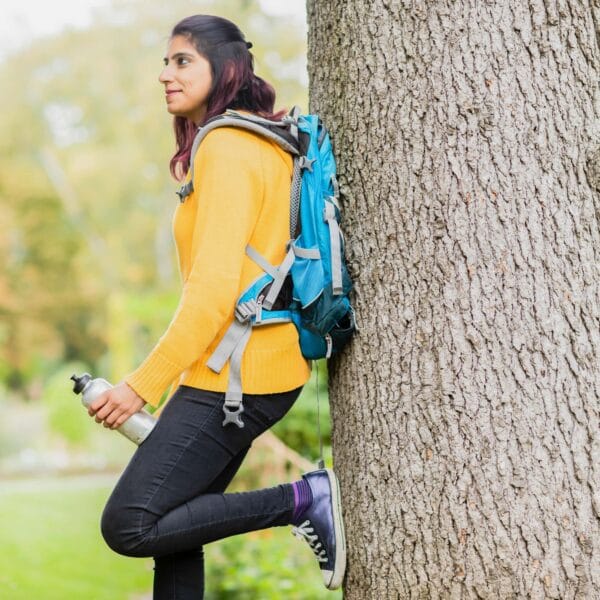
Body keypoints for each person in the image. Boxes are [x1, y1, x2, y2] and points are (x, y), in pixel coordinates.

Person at [87, 14, 346, 599]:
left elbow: (211, 294)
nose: (165, 75)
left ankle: (305, 497)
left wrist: (139, 386)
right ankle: (305, 498)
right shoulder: (256, 139)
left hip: (239, 374)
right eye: (166, 61)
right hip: (239, 365)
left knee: (128, 524)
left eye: (182, 61)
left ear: (224, 67)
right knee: (175, 532)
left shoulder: (227, 146)